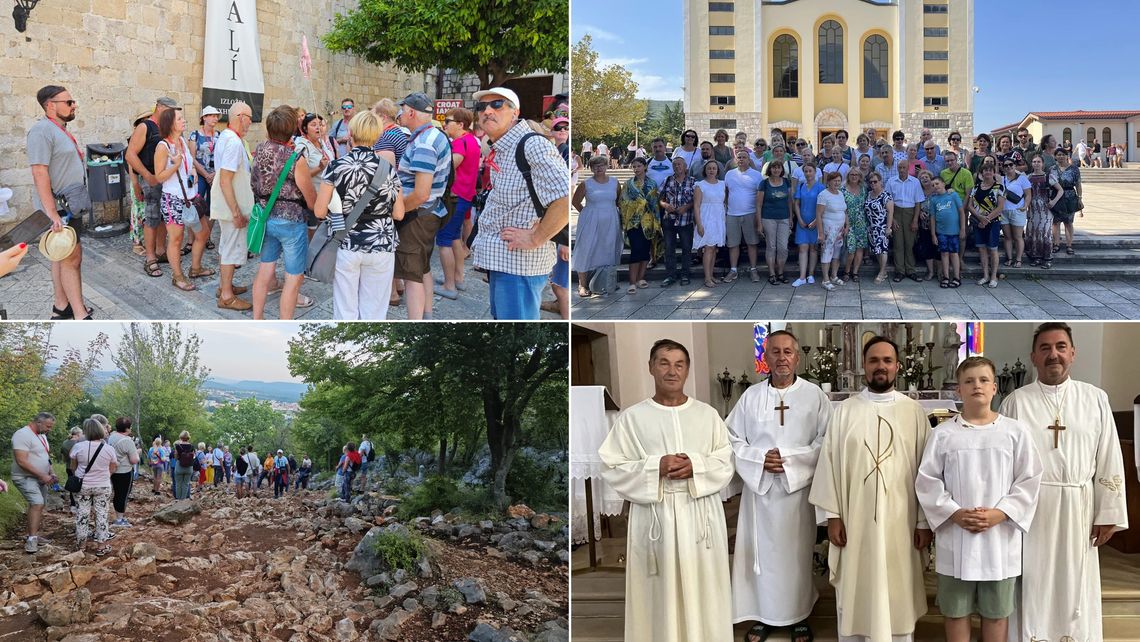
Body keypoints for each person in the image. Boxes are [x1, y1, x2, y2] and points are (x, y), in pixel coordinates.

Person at [998, 322, 1130, 642]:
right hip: (1032, 511)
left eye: (1060, 347)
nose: (1053, 354)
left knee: (1075, 583)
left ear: (1073, 353)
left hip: (1079, 508)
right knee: (1034, 581)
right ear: (1033, 357)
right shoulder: (1014, 403)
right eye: (1045, 348)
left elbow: (1109, 456)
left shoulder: (1095, 398)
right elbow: (1002, 467)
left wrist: (1109, 512)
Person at [598, 339, 735, 641]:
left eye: (679, 364)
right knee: (659, 591)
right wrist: (654, 467)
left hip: (700, 516)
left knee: (704, 586)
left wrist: (696, 466)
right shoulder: (632, 418)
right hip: (655, 516)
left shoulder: (707, 415)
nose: (672, 371)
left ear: (687, 370)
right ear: (651, 367)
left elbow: (726, 461)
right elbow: (611, 466)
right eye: (664, 363)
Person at [809, 337, 933, 642]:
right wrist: (833, 516)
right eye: (874, 360)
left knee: (898, 592)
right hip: (855, 521)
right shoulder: (845, 411)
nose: (881, 366)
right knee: (856, 592)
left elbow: (928, 474)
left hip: (902, 523)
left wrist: (923, 522)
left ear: (898, 367)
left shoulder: (914, 412)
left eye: (887, 361)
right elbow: (829, 464)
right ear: (864, 366)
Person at [916, 356, 1043, 642]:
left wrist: (1001, 513)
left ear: (995, 388)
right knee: (956, 611)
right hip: (956, 535)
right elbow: (928, 480)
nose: (977, 386)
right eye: (969, 381)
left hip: (1000, 537)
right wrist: (954, 512)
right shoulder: (943, 434)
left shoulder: (1015, 432)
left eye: (984, 380)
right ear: (958, 390)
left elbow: (1029, 478)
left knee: (996, 612)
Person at [727, 331, 830, 642]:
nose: (782, 357)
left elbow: (826, 442)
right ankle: (762, 614)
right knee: (759, 554)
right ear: (766, 358)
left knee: (795, 556)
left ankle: (798, 614)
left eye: (788, 352)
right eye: (775, 352)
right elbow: (731, 439)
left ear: (797, 357)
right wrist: (759, 459)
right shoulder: (751, 397)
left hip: (796, 492)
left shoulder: (814, 396)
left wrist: (787, 460)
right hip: (759, 493)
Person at [313, 110, 404, 320]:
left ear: (351, 133)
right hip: (381, 245)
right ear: (377, 136)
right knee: (375, 311)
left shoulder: (336, 166)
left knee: (345, 309)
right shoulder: (388, 169)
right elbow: (399, 213)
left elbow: (319, 211)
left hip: (346, 243)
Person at [27, 85, 91, 320]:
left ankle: (61, 306)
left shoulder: (58, 130)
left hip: (68, 204)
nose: (74, 105)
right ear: (50, 105)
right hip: (59, 208)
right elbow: (39, 173)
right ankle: (80, 315)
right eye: (69, 102)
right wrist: (52, 213)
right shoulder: (41, 131)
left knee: (61, 255)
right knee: (72, 258)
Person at [251, 105, 317, 320]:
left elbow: (254, 182)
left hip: (266, 216)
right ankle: (284, 323)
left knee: (265, 269)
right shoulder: (296, 159)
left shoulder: (260, 150)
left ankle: (257, 318)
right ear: (292, 128)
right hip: (291, 221)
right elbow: (310, 198)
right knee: (293, 277)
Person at [152, 107, 213, 292]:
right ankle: (177, 276)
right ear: (170, 123)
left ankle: (195, 268)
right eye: (180, 118)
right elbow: (159, 177)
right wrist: (176, 165)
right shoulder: (163, 147)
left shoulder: (182, 141)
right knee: (176, 239)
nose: (184, 121)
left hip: (191, 196)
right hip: (173, 199)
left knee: (202, 233)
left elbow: (190, 163)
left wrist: (193, 171)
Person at [126, 97, 178, 281]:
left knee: (164, 216)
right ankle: (150, 258)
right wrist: (145, 177)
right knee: (152, 217)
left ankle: (160, 250)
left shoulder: (166, 127)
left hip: (166, 180)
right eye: (171, 109)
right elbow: (130, 155)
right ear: (160, 107)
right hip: (151, 179)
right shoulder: (145, 127)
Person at [210, 101, 254, 311]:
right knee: (230, 248)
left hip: (227, 202)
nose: (250, 124)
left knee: (225, 245)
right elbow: (225, 179)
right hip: (231, 204)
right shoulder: (234, 143)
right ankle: (226, 296)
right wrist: (236, 211)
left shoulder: (226, 137)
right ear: (240, 117)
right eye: (249, 119)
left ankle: (224, 287)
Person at [436, 108, 480, 299]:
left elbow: (449, 167)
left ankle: (449, 285)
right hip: (465, 196)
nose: (445, 124)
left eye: (448, 121)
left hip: (455, 197)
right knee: (455, 238)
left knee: (444, 240)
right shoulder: (472, 140)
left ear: (460, 124)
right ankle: (458, 278)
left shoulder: (460, 142)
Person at [572, 155, 621, 296]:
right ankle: (582, 285)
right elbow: (575, 201)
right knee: (586, 249)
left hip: (611, 219)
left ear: (607, 166)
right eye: (595, 166)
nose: (599, 168)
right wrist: (587, 213)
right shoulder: (586, 184)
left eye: (602, 165)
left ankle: (606, 281)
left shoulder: (614, 182)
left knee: (608, 248)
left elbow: (618, 201)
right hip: (591, 219)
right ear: (591, 168)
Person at [12, 412, 59, 553]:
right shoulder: (22, 435)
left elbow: (45, 456)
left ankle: (34, 535)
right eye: (48, 426)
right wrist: (42, 475)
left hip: (40, 477)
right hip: (25, 477)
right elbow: (21, 461)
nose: (49, 429)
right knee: (37, 503)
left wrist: (51, 472)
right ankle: (31, 540)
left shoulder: (42, 436)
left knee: (39, 504)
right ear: (38, 422)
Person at [70, 417, 117, 556]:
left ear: (86, 432)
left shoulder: (78, 447)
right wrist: (104, 475)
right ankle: (101, 546)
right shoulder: (109, 449)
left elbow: (73, 468)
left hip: (83, 486)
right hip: (102, 485)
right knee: (102, 514)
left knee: (82, 515)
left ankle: (81, 546)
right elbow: (113, 468)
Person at [620, 157, 660, 294]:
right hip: (634, 222)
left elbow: (655, 203)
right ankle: (632, 282)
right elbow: (623, 202)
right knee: (636, 250)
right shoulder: (628, 184)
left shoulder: (652, 183)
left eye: (638, 166)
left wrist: (657, 221)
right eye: (634, 166)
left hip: (649, 221)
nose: (636, 169)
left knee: (645, 250)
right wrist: (638, 204)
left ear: (644, 167)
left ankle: (641, 278)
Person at [724, 149, 763, 284]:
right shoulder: (729, 174)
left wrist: (759, 217)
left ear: (749, 160)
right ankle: (733, 270)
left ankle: (753, 269)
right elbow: (726, 193)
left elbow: (760, 197)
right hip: (732, 214)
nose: (741, 159)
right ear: (736, 159)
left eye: (744, 157)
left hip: (750, 213)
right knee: (733, 244)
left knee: (752, 243)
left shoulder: (757, 175)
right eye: (739, 157)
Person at [657, 156, 696, 288]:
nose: (677, 167)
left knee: (686, 248)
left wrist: (687, 206)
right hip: (669, 220)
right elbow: (660, 199)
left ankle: (685, 274)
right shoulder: (667, 180)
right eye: (675, 165)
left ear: (685, 167)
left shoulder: (693, 182)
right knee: (669, 248)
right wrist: (665, 205)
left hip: (686, 220)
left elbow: (697, 200)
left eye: (680, 165)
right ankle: (670, 275)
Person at [966, 164, 1005, 288]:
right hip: (978, 222)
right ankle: (985, 275)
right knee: (982, 249)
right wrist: (980, 218)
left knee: (993, 250)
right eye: (985, 170)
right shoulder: (976, 187)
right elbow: (970, 205)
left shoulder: (1000, 187)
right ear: (981, 173)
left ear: (994, 172)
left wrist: (986, 219)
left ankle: (994, 276)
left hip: (993, 222)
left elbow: (1000, 207)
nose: (987, 172)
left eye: (990, 170)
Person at [885, 160, 924, 282]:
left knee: (910, 243)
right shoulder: (891, 181)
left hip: (910, 212)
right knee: (898, 243)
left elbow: (918, 202)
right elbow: (887, 201)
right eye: (899, 167)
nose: (901, 170)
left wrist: (915, 220)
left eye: (904, 167)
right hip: (895, 211)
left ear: (908, 168)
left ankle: (911, 270)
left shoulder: (915, 182)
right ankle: (900, 271)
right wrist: (893, 219)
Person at [188, 106, 219, 251]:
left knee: (212, 208)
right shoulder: (194, 135)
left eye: (216, 116)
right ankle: (191, 240)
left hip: (215, 175)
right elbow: (192, 159)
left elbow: (223, 157)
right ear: (204, 117)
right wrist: (206, 175)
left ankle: (207, 236)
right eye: (211, 115)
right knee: (195, 206)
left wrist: (214, 174)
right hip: (200, 175)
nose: (215, 118)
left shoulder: (219, 135)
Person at [692, 158, 727, 288]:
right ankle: (707, 278)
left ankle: (711, 275)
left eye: (714, 168)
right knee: (708, 248)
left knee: (714, 248)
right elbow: (696, 205)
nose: (711, 170)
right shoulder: (700, 185)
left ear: (717, 170)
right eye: (709, 168)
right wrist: (699, 224)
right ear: (705, 170)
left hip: (718, 217)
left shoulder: (722, 184)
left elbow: (724, 201)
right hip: (706, 217)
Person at [757, 161, 793, 285]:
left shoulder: (786, 182)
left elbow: (789, 201)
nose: (776, 170)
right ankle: (772, 273)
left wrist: (791, 218)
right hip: (768, 218)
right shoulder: (764, 183)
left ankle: (780, 272)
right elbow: (758, 204)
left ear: (781, 169)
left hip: (784, 218)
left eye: (778, 167)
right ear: (770, 169)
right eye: (774, 167)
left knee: (783, 247)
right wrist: (759, 223)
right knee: (771, 247)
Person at [928, 175, 966, 288]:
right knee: (944, 253)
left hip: (954, 232)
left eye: (937, 183)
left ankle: (956, 277)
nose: (935, 186)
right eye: (933, 185)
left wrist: (963, 228)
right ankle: (945, 277)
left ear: (943, 184)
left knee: (954, 254)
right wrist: (933, 234)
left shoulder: (953, 195)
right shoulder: (934, 199)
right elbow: (932, 218)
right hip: (941, 232)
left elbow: (961, 212)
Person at [1026, 154, 1062, 268]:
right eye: (1034, 162)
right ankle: (1036, 257)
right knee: (1034, 233)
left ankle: (1047, 258)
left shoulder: (1048, 177)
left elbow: (1060, 190)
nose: (1036, 164)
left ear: (1042, 164)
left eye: (1038, 162)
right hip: (1032, 209)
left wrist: (1054, 201)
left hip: (1045, 209)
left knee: (1045, 233)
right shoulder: (1028, 177)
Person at [791, 163, 823, 287]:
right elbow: (796, 204)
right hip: (802, 222)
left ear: (815, 172)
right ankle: (802, 276)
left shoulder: (821, 187)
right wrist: (799, 219)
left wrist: (816, 220)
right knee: (803, 248)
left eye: (810, 171)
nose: (808, 173)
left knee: (813, 248)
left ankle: (811, 274)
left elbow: (823, 206)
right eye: (806, 171)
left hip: (816, 222)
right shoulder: (801, 186)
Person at [816, 171, 848, 290]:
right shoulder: (823, 195)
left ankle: (834, 276)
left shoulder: (840, 193)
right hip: (828, 229)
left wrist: (846, 226)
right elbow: (818, 214)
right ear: (828, 182)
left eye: (839, 180)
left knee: (836, 254)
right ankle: (825, 279)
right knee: (826, 253)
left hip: (839, 230)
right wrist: (820, 233)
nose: (837, 183)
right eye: (834, 180)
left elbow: (844, 211)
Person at [106, 417, 138, 528]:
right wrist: (137, 452)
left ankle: (118, 516)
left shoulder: (111, 437)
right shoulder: (127, 441)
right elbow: (134, 460)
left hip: (112, 470)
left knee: (117, 493)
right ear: (128, 428)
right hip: (124, 470)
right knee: (123, 495)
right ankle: (119, 519)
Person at [862, 171, 894, 284]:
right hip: (871, 227)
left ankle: (881, 272)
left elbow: (890, 212)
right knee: (876, 250)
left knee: (883, 250)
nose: (873, 184)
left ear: (880, 182)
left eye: (875, 181)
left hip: (882, 226)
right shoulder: (869, 194)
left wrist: (888, 228)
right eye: (871, 182)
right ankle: (883, 270)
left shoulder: (886, 195)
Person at [999, 158, 1031, 268]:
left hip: (1018, 210)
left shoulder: (1022, 178)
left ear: (1014, 165)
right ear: (1003, 168)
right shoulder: (1001, 179)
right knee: (1007, 237)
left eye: (1010, 164)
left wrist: (1025, 206)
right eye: (1006, 165)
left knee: (1018, 236)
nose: (1008, 167)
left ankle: (1018, 259)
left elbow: (1028, 195)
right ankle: (1009, 258)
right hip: (1004, 211)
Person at [1051, 148, 1082, 257]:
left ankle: (1069, 245)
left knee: (1068, 222)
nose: (1060, 156)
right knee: (1055, 222)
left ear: (1067, 156)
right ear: (1055, 156)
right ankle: (1056, 244)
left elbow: (1078, 184)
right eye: (1058, 155)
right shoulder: (1052, 169)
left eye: (1063, 154)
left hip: (1070, 196)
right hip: (1055, 196)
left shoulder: (1074, 169)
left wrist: (1080, 197)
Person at [172, 431, 195, 500]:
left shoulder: (178, 446)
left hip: (179, 466)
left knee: (178, 484)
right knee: (186, 484)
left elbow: (176, 457)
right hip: (189, 467)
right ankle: (183, 500)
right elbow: (193, 456)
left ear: (181, 437)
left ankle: (178, 500)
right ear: (188, 437)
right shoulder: (192, 446)